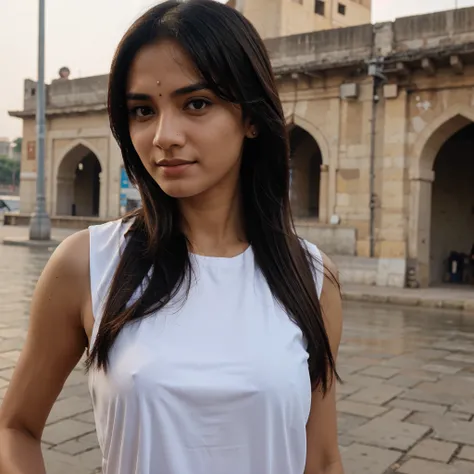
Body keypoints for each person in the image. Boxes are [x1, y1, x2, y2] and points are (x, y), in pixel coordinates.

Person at [0, 1, 344, 473]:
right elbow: (14, 427)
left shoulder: (310, 278)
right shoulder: (89, 263)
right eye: (142, 110)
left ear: (250, 118)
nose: (163, 135)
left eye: (196, 104)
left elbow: (321, 458)